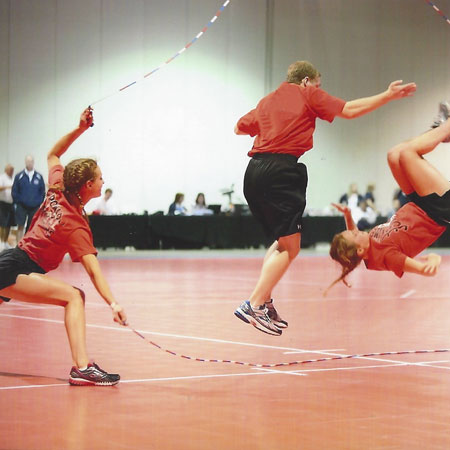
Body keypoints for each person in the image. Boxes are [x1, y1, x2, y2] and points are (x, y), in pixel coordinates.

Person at [233, 59, 416, 336]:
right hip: (282, 173)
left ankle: (264, 300)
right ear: (306, 81)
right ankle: (254, 304)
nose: (320, 90)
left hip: (253, 172)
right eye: (318, 85)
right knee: (291, 248)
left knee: (281, 243)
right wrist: (388, 95)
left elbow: (238, 127)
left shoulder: (267, 101)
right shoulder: (306, 93)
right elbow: (349, 110)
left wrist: (272, 125)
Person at [0, 107, 127, 386]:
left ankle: (82, 367)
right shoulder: (76, 225)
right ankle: (82, 367)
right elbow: (93, 272)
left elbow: (53, 154)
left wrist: (80, 128)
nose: (104, 181)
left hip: (12, 262)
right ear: (88, 185)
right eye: (100, 178)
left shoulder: (58, 185)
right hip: (17, 267)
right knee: (74, 296)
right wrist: (113, 303)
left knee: (72, 296)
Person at [329, 104, 450, 289]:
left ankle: (440, 129)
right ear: (360, 249)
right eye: (353, 233)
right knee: (408, 154)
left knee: (394, 155)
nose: (355, 229)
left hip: (417, 203)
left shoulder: (366, 246)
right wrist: (434, 258)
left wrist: (347, 215)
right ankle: (447, 126)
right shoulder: (388, 257)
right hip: (437, 211)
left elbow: (354, 237)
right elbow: (425, 269)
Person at [12, 155, 46, 242]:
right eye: (27, 161)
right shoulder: (19, 176)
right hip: (22, 206)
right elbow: (14, 191)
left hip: (34, 207)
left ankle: (27, 246)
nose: (29, 163)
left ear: (33, 162)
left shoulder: (38, 176)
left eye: (31, 161)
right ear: (25, 162)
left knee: (32, 227)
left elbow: (42, 191)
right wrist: (18, 201)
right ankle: (18, 247)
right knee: (20, 226)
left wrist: (39, 202)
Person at [0, 164, 14, 250]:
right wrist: (8, 187)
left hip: (11, 204)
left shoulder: (12, 178)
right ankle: (1, 242)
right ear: (6, 170)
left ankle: (5, 242)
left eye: (13, 170)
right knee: (2, 223)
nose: (12, 171)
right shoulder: (2, 177)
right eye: (11, 170)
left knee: (9, 224)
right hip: (3, 203)